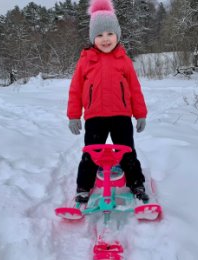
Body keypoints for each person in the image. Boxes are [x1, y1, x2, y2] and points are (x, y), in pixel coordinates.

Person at [67, 0, 149, 203]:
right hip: (95, 117)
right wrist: (74, 116)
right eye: (100, 35)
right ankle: (83, 186)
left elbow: (135, 89)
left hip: (121, 116)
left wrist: (140, 114)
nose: (105, 39)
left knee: (127, 150)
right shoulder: (85, 60)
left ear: (117, 35)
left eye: (110, 34)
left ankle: (136, 183)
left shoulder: (124, 60)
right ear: (92, 38)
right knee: (91, 153)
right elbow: (75, 90)